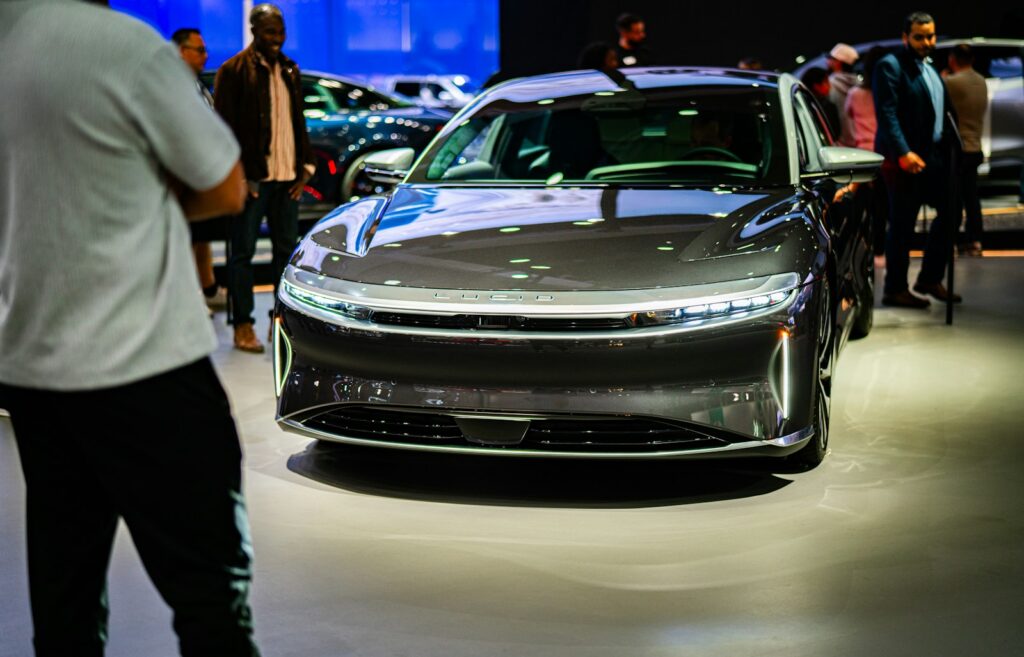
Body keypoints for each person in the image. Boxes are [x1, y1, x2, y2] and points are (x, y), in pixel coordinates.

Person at [0, 1, 261, 656]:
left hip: (33, 368)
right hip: (146, 366)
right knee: (211, 598)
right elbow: (225, 188)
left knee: (65, 603)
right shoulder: (124, 46)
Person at [215, 3, 315, 353]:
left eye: (281, 31)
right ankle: (243, 324)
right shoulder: (234, 70)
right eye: (271, 31)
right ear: (255, 30)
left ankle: (281, 323)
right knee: (241, 254)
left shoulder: (289, 69)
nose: (278, 38)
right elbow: (222, 129)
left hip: (289, 179)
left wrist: (306, 169)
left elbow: (297, 121)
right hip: (253, 182)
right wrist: (237, 176)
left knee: (286, 256)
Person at [874, 11, 960, 307]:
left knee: (951, 212)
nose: (927, 42)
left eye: (931, 35)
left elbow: (943, 113)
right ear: (905, 37)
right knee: (902, 225)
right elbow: (887, 113)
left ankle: (929, 279)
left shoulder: (931, 68)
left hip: (934, 158)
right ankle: (895, 289)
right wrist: (902, 152)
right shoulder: (891, 65)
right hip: (905, 159)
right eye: (919, 37)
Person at [172, 26, 228, 312]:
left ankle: (207, 288)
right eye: (200, 50)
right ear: (182, 51)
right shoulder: (172, 83)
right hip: (181, 174)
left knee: (201, 235)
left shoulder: (194, 83)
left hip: (198, 172)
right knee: (184, 238)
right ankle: (189, 297)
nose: (205, 55)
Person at [944, 44, 989, 256]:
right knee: (972, 196)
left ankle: (950, 239)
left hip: (958, 148)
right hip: (976, 146)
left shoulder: (951, 82)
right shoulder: (981, 81)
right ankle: (975, 240)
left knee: (954, 197)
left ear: (953, 59)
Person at [845, 46, 889, 256]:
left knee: (860, 208)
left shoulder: (854, 94)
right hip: (884, 154)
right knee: (882, 207)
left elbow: (848, 120)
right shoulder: (888, 94)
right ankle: (880, 248)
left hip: (862, 156)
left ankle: (861, 250)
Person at [827, 43, 860, 146]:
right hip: (860, 142)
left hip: (839, 143)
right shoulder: (859, 85)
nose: (827, 61)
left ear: (838, 62)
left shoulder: (829, 84)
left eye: (831, 58)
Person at [801, 67, 841, 137]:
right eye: (826, 82)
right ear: (816, 86)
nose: (830, 86)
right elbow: (835, 134)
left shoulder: (802, 105)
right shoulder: (827, 107)